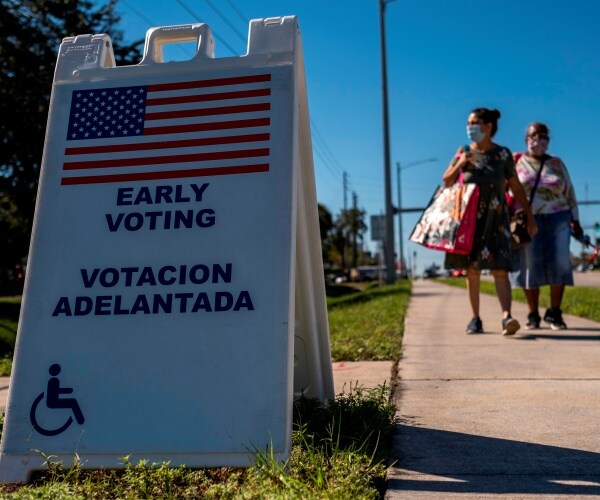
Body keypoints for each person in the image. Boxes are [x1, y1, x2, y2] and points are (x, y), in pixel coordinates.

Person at [442, 108, 537, 335]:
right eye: (468, 123)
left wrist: (529, 215)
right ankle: (475, 318)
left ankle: (507, 317)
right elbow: (446, 181)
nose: (470, 127)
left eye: (474, 123)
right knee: (472, 270)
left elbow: (515, 187)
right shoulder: (463, 151)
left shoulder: (502, 155)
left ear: (488, 127)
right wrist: (460, 163)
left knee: (500, 268)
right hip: (470, 221)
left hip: (497, 220)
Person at [509, 122, 582, 330]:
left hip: (558, 217)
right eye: (533, 135)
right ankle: (533, 314)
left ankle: (555, 312)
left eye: (543, 136)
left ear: (548, 141)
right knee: (530, 264)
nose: (538, 140)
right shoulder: (518, 162)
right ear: (526, 139)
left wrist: (575, 219)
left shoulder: (556, 163)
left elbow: (569, 191)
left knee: (560, 262)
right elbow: (509, 190)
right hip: (529, 219)